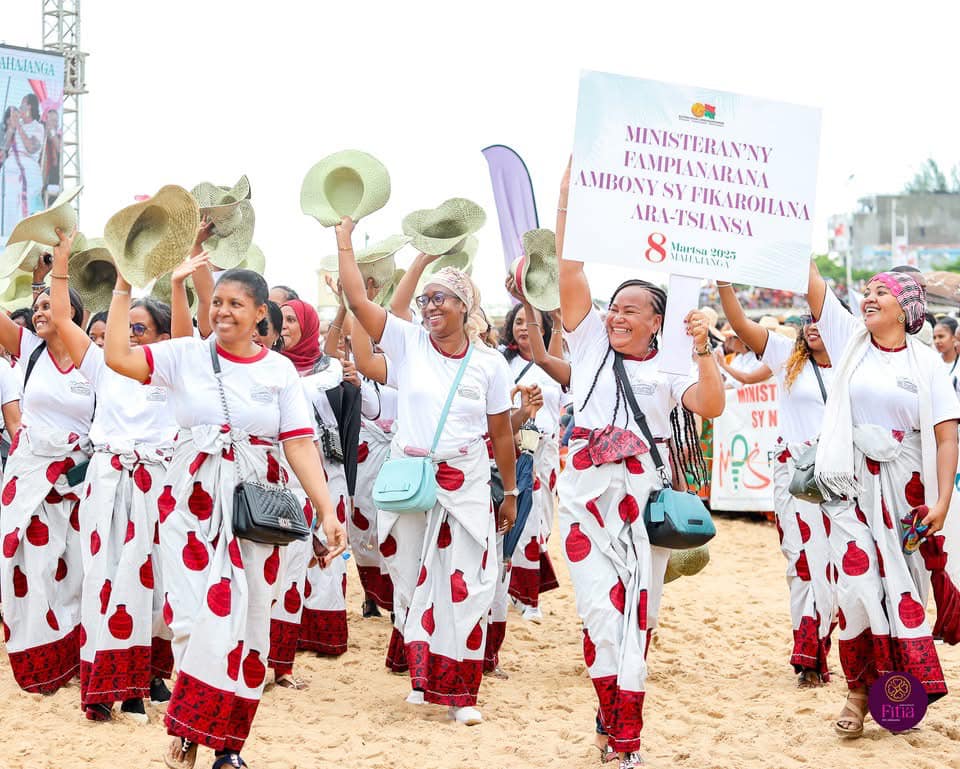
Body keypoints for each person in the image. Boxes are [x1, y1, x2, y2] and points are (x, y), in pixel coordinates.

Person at [103, 265, 346, 768]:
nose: (223, 311)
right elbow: (118, 356)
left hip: (255, 509)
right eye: (218, 302)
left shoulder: (278, 372)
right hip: (188, 503)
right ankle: (191, 729)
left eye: (236, 304)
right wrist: (125, 284)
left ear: (261, 314)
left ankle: (229, 747)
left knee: (249, 619)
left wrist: (326, 509)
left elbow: (298, 442)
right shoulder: (184, 355)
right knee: (193, 616)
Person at [556, 161, 724, 768]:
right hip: (581, 501)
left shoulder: (670, 366)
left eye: (632, 309)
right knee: (599, 613)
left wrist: (704, 346)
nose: (617, 315)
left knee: (636, 618)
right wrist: (569, 199)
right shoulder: (589, 345)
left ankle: (622, 738)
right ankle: (616, 721)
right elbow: (570, 269)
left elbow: (710, 405)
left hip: (640, 506)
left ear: (657, 321)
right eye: (614, 307)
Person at [337, 216, 517, 726]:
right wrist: (346, 241)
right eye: (425, 300)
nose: (430, 307)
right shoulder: (410, 346)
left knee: (467, 583)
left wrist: (508, 493)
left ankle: (461, 694)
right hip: (410, 479)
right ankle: (422, 680)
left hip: (468, 481)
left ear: (466, 306)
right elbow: (358, 302)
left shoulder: (490, 365)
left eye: (442, 298)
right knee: (412, 580)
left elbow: (501, 433)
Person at [806, 262, 960, 739]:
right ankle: (856, 690)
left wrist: (941, 502)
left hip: (908, 493)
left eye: (881, 292)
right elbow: (810, 280)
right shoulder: (849, 340)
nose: (868, 297)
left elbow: (946, 435)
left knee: (900, 590)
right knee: (855, 586)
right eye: (865, 290)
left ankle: (894, 693)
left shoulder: (926, 362)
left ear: (906, 309)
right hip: (849, 485)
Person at [47, 230, 187, 721]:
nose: (127, 337)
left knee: (159, 585)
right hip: (109, 483)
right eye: (121, 329)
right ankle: (111, 689)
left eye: (140, 330)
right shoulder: (103, 369)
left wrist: (177, 286)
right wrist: (65, 265)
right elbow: (63, 318)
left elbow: (188, 336)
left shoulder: (173, 372)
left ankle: (148, 679)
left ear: (162, 339)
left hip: (161, 486)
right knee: (109, 582)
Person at [718, 284, 837, 686]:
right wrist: (724, 285)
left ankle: (824, 644)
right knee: (800, 561)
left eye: (823, 319)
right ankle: (808, 656)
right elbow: (739, 323)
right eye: (808, 318)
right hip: (796, 478)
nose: (813, 324)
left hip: (842, 479)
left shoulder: (857, 363)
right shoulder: (788, 357)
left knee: (837, 567)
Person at [0, 248, 95, 695]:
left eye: (48, 306)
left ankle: (77, 658)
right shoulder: (29, 351)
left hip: (78, 482)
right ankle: (41, 663)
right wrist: (34, 277)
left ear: (70, 313)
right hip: (31, 479)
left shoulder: (92, 359)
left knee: (77, 569)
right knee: (32, 567)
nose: (39, 313)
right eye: (35, 308)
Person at [497, 301, 565, 622]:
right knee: (519, 517)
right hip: (512, 448)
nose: (524, 327)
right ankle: (525, 598)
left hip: (545, 454)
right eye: (519, 321)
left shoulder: (553, 363)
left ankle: (520, 590)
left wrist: (558, 320)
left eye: (531, 323)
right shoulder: (501, 361)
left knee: (540, 523)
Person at [1, 94, 44, 236]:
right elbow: (5, 147)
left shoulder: (37, 127)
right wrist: (11, 128)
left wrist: (18, 126)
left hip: (27, 171)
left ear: (30, 106)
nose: (20, 107)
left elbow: (31, 147)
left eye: (22, 104)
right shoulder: (16, 126)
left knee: (22, 205)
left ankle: (22, 237)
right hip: (10, 170)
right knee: (7, 201)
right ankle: (6, 236)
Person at [932, 317, 959, 396]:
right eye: (934, 337)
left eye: (941, 336)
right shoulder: (932, 362)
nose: (936, 341)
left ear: (954, 337)